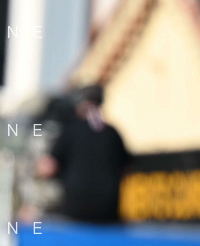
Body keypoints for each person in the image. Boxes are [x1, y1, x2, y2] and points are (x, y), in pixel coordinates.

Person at [36, 84, 130, 223]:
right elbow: (127, 168)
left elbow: (47, 168)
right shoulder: (113, 133)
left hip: (75, 211)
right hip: (108, 211)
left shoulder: (70, 131)